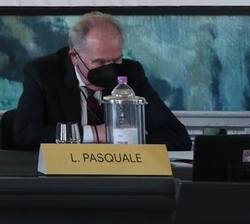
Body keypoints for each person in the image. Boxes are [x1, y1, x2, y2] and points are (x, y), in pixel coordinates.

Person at [13, 11, 192, 151]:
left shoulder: (131, 73)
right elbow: (23, 135)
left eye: (116, 60)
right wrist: (96, 133)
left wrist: (128, 137)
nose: (110, 70)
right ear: (74, 56)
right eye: (100, 62)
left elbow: (177, 137)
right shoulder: (43, 73)